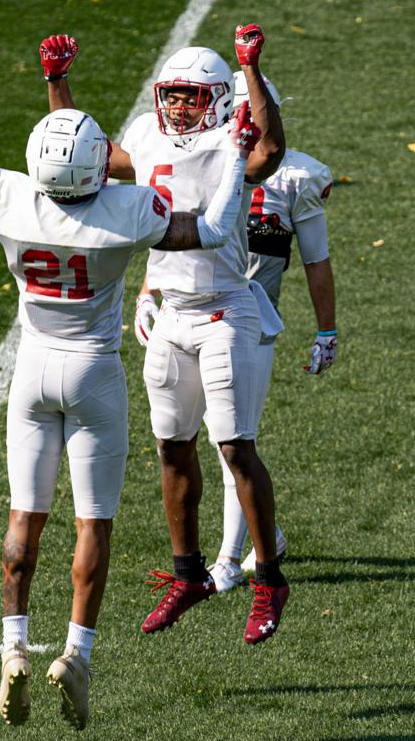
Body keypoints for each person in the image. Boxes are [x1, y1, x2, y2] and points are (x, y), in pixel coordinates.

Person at [0, 61, 259, 728]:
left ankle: (14, 642)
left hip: (33, 371)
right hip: (95, 373)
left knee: (25, 517)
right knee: (91, 521)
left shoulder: (9, 199)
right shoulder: (126, 211)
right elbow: (214, 230)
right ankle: (76, 653)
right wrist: (238, 160)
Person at [41, 27, 292, 644]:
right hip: (169, 312)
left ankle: (269, 579)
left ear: (218, 98)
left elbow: (271, 152)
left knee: (234, 446)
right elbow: (81, 158)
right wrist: (57, 82)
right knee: (171, 447)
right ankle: (189, 574)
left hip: (225, 308)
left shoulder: (231, 141)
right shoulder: (150, 135)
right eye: (172, 95)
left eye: (190, 96)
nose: (179, 107)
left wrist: (250, 68)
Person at [135, 71, 337, 593]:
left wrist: (326, 330)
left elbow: (317, 259)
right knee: (188, 441)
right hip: (187, 313)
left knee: (234, 444)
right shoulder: (196, 157)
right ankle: (265, 532)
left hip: (252, 317)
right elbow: (167, 231)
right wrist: (148, 290)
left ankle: (227, 559)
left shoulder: (296, 175)